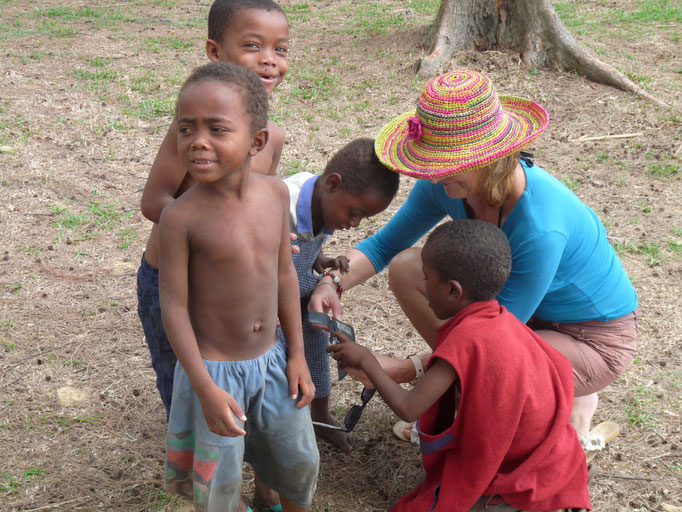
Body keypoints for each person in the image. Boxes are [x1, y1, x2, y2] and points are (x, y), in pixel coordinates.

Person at [309, 70, 638, 446]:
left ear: (489, 157)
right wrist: (330, 282)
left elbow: (494, 336)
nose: (433, 177)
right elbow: (384, 247)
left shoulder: (542, 226)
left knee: (493, 367)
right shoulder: (453, 183)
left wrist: (409, 370)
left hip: (591, 339)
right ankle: (498, 387)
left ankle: (558, 391)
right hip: (528, 318)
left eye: (445, 163)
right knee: (407, 268)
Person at [328, 219, 591, 512]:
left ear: (453, 291)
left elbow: (409, 407)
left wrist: (366, 360)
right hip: (554, 458)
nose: (424, 288)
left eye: (427, 279)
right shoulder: (503, 320)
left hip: (516, 476)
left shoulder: (466, 338)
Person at [159, 62, 318, 512]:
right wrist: (204, 388)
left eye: (217, 128)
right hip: (215, 373)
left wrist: (297, 354)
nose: (198, 141)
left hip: (273, 363)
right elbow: (173, 308)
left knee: (298, 460)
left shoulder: (274, 196)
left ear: (257, 141)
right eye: (186, 128)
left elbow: (285, 275)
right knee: (219, 485)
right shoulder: (181, 218)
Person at [138, 0, 289, 419]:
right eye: (254, 45)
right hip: (178, 279)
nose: (269, 60)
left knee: (233, 365)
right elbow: (154, 202)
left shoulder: (269, 137)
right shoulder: (191, 129)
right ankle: (190, 450)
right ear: (215, 51)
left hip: (234, 282)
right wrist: (212, 229)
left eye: (281, 49)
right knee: (185, 377)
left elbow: (254, 202)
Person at [281, 138, 399, 452]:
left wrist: (322, 261)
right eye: (354, 213)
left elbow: (305, 249)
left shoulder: (326, 202)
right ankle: (284, 425)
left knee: (319, 339)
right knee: (280, 359)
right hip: (266, 297)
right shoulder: (282, 205)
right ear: (333, 184)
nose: (354, 224)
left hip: (298, 290)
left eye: (362, 219)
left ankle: (319, 417)